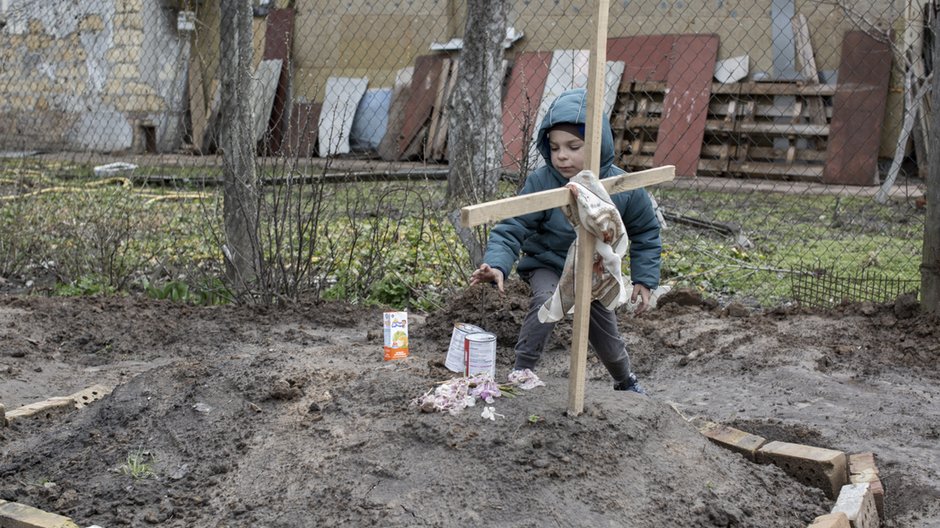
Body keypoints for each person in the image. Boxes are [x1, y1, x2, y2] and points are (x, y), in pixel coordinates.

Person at [469, 87, 661, 394]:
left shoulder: (622, 187)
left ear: (598, 144)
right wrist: (497, 265)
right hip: (549, 263)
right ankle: (522, 370)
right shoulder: (543, 182)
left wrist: (645, 278)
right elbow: (513, 225)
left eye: (573, 146)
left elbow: (646, 231)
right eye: (555, 146)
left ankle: (625, 380)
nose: (562, 155)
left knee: (606, 333)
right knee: (547, 298)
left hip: (595, 269)